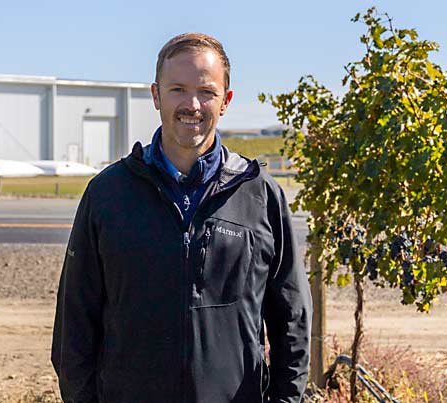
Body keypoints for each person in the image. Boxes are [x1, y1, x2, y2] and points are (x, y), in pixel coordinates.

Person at [51, 33, 311, 402]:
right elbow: (73, 325)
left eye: (206, 91)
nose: (192, 104)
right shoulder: (108, 195)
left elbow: (292, 318)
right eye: (177, 89)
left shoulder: (259, 195)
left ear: (225, 101)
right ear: (156, 95)